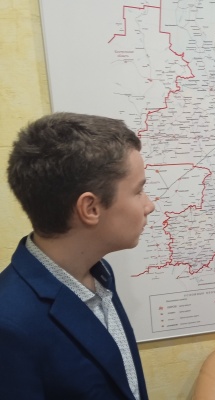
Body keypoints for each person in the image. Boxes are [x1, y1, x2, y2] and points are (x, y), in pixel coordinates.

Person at [0, 113, 155, 399]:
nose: (149, 205)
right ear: (90, 208)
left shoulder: (99, 272)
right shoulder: (9, 325)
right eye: (138, 191)